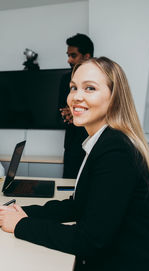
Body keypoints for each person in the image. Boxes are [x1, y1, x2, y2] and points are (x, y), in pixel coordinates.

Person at [0, 57, 149, 270]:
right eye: (73, 88)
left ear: (114, 97)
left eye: (90, 88)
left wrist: (20, 225)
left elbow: (90, 241)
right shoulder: (104, 141)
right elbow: (78, 206)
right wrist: (23, 213)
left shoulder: (116, 150)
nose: (76, 97)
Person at [59, 33, 94, 178]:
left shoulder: (101, 79)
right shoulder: (65, 79)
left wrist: (78, 112)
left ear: (86, 56)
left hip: (93, 142)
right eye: (68, 55)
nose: (69, 60)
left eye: (73, 55)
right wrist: (67, 114)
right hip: (72, 145)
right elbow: (61, 109)